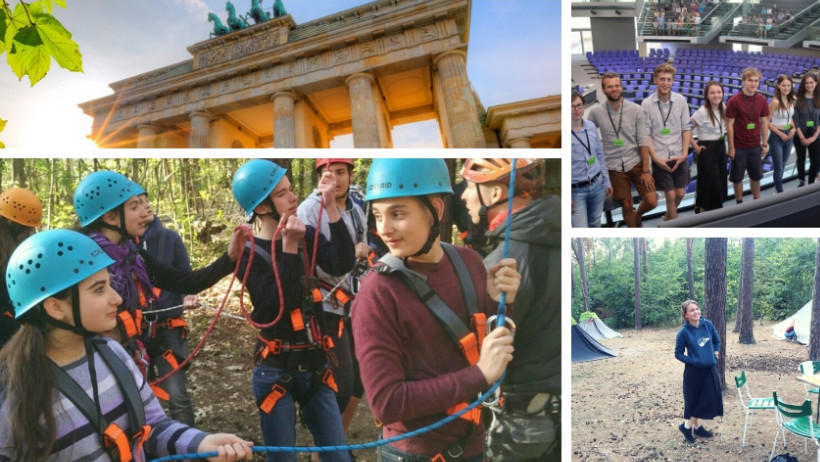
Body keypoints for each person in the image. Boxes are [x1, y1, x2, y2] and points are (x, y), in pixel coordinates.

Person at [0, 229, 253, 462]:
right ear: (55, 307)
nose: (117, 298)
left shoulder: (112, 353)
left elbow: (152, 426)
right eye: (99, 290)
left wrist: (200, 443)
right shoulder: (13, 393)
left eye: (109, 285)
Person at [352, 158, 520, 462]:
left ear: (436, 209)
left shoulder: (467, 261)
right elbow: (386, 403)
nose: (384, 229)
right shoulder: (377, 292)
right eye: (378, 215)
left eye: (398, 214)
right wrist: (478, 376)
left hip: (472, 446)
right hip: (416, 455)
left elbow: (491, 350)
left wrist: (502, 303)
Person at [231, 159, 356, 462]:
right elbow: (278, 306)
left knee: (337, 456)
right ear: (262, 208)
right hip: (274, 368)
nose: (294, 197)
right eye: (282, 194)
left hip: (313, 363)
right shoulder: (249, 253)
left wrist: (331, 209)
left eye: (291, 190)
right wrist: (288, 248)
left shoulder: (305, 234)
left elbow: (342, 263)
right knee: (282, 458)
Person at [73, 170, 246, 381]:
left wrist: (229, 258)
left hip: (126, 354)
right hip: (95, 364)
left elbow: (185, 282)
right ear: (110, 217)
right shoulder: (81, 262)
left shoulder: (133, 255)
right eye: (133, 207)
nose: (143, 213)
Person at [460, 158, 560, 461]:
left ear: (493, 195)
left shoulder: (503, 263)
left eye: (468, 187)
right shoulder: (556, 234)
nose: (463, 197)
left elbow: (478, 353)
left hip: (523, 426)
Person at [296, 159, 369, 461]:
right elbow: (320, 261)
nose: (336, 179)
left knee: (361, 379)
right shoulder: (309, 210)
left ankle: (334, 442)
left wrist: (363, 254)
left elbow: (361, 244)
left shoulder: (356, 206)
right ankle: (324, 449)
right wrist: (354, 255)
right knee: (340, 381)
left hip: (353, 299)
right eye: (330, 173)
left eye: (342, 173)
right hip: (324, 305)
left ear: (351, 175)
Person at [136, 191, 198, 426]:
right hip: (134, 332)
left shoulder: (169, 239)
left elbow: (186, 278)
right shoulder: (119, 247)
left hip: (168, 330)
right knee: (136, 396)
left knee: (177, 395)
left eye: (146, 201)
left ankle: (191, 452)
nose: (146, 206)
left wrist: (189, 294)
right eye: (137, 204)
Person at [587, 72, 658, 227]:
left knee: (652, 201)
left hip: (637, 162)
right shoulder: (596, 112)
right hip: (613, 166)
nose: (614, 89)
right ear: (604, 90)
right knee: (626, 203)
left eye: (617, 85)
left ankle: (636, 215)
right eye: (610, 86)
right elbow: (587, 136)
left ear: (621, 87)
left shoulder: (636, 110)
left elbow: (643, 142)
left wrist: (646, 171)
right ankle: (636, 230)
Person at [642, 63, 692, 221]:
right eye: (662, 79)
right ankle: (674, 226)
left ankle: (667, 218)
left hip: (679, 155)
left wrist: (684, 154)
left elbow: (686, 128)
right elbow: (646, 134)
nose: (665, 83)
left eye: (668, 79)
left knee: (680, 193)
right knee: (670, 195)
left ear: (672, 81)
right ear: (655, 80)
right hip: (660, 157)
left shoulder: (681, 101)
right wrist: (655, 158)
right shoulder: (646, 104)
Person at [675, 299, 723, 443]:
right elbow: (678, 353)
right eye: (692, 310)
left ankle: (691, 426)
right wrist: (695, 361)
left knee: (707, 400)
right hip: (693, 373)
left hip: (709, 370)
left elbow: (717, 341)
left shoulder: (707, 324)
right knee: (696, 401)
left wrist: (716, 352)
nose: (696, 312)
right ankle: (689, 426)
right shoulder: (683, 333)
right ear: (685, 315)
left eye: (697, 309)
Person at [0, 187, 42, 350]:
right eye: (27, 229)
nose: (30, 233)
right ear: (11, 224)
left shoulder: (18, 251)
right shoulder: (9, 255)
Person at [726, 67, 769, 203]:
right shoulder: (734, 100)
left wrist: (764, 143)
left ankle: (757, 201)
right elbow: (729, 125)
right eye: (750, 80)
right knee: (737, 177)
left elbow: (764, 122)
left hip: (755, 146)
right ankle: (739, 202)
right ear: (744, 81)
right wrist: (731, 147)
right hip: (739, 147)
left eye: (756, 81)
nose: (753, 84)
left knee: (756, 176)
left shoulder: (762, 99)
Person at [571, 91, 612, 228]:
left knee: (595, 224)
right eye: (572, 106)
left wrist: (607, 181)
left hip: (597, 184)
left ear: (583, 106)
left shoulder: (591, 126)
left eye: (579, 105)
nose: (576, 110)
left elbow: (599, 154)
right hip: (576, 191)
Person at [690, 81, 728, 212]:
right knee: (712, 184)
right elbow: (686, 128)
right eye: (712, 92)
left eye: (719, 92)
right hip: (707, 149)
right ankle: (713, 213)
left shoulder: (723, 106)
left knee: (721, 179)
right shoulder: (702, 112)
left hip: (721, 147)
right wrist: (695, 146)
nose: (716, 95)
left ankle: (704, 209)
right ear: (706, 95)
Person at [766, 74, 796, 193]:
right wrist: (780, 133)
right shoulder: (775, 102)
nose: (786, 88)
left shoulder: (792, 99)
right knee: (778, 168)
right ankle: (780, 192)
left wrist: (793, 129)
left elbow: (792, 118)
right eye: (784, 85)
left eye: (788, 85)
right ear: (778, 86)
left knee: (783, 164)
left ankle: (776, 189)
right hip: (777, 136)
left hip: (789, 134)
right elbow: (766, 122)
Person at [793, 72, 820, 186]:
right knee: (801, 159)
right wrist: (802, 137)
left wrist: (813, 137)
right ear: (803, 85)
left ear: (816, 83)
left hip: (815, 135)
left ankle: (811, 182)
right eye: (806, 83)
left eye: (811, 82)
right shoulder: (797, 99)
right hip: (800, 135)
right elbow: (795, 120)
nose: (809, 85)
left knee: (816, 160)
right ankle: (802, 181)